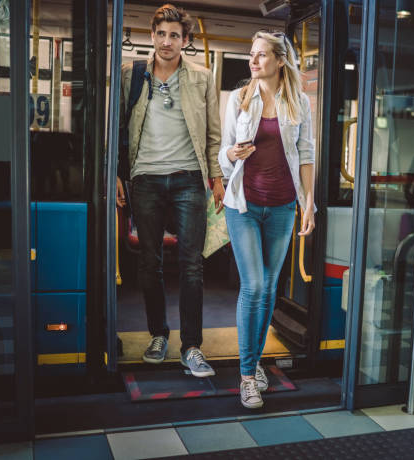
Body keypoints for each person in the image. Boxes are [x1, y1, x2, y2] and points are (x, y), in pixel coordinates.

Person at [116, 4, 225, 377]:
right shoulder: (132, 74)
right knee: (149, 263)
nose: (166, 41)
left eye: (174, 35)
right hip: (144, 179)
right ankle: (158, 334)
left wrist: (217, 178)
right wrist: (116, 174)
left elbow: (213, 136)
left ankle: (191, 346)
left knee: (192, 265)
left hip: (188, 179)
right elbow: (115, 129)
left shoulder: (201, 78)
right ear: (153, 35)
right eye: (161, 34)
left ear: (185, 40)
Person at [218, 30, 316, 408]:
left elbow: (305, 155)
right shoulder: (240, 98)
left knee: (270, 288)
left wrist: (309, 204)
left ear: (279, 60)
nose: (253, 61)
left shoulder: (299, 103)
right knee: (255, 285)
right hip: (243, 204)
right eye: (251, 54)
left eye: (261, 55)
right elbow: (224, 155)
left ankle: (254, 362)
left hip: (282, 206)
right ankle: (246, 376)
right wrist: (234, 152)